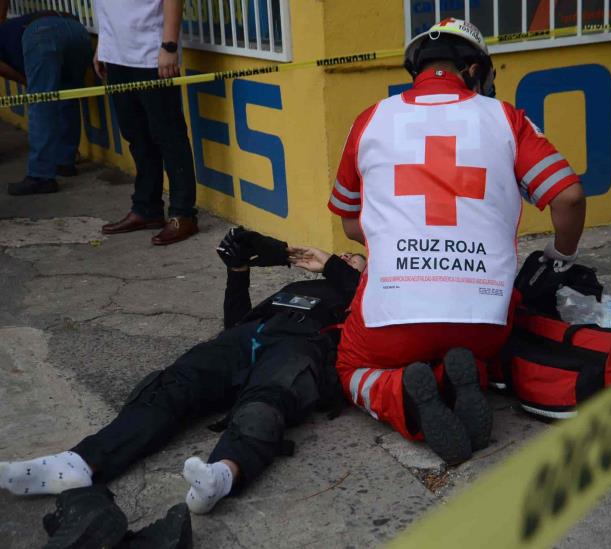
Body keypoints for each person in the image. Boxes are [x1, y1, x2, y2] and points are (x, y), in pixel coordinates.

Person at [0, 228, 365, 546]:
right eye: (346, 255)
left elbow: (373, 310)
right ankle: (79, 461)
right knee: (173, 384)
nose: (347, 257)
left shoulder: (366, 294)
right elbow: (236, 324)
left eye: (356, 259)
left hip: (302, 346)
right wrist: (237, 271)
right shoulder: (299, 286)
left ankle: (222, 474)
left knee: (266, 403)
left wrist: (337, 266)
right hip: (249, 337)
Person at [328, 18, 586, 465]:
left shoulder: (370, 120)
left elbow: (351, 223)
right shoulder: (506, 118)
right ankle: (461, 371)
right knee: (469, 344)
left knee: (350, 367)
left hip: (392, 324)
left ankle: (406, 394)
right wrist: (561, 255)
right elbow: (568, 196)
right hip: (485, 323)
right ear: (472, 70)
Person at [94, 0, 199, 245]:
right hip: (117, 54)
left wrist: (169, 45)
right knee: (136, 136)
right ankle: (146, 208)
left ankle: (183, 214)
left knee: (169, 134)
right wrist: (103, 46)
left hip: (151, 53)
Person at [0, 7, 92, 195]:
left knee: (41, 105)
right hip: (78, 30)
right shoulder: (9, 29)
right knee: (68, 95)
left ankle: (40, 176)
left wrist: (28, 83)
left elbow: (6, 70)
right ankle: (65, 161)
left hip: (42, 33)